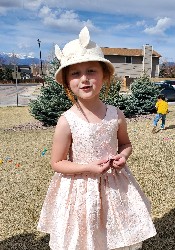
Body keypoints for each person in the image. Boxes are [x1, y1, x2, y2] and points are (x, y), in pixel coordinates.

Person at [37, 26, 156, 250]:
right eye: (75, 73)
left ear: (104, 75)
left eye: (91, 71)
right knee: (87, 238)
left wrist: (123, 156)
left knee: (114, 236)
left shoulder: (115, 114)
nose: (84, 79)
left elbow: (126, 144)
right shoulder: (67, 121)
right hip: (81, 190)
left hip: (115, 187)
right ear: (66, 81)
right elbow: (57, 162)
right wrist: (88, 168)